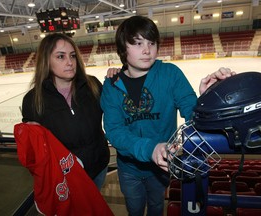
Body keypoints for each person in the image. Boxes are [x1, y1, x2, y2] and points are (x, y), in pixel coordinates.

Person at [100, 15, 235, 216]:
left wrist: (209, 98)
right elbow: (114, 131)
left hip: (162, 168)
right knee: (134, 210)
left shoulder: (171, 74)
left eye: (151, 42)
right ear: (122, 48)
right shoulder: (111, 86)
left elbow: (193, 116)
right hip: (129, 169)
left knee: (156, 208)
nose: (147, 50)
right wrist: (150, 149)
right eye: (137, 43)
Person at [21, 33, 110, 190]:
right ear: (46, 61)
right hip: (66, 175)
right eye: (61, 56)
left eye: (73, 56)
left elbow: (116, 113)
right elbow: (35, 149)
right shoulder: (33, 100)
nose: (70, 62)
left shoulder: (93, 85)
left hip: (99, 165)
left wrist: (119, 78)